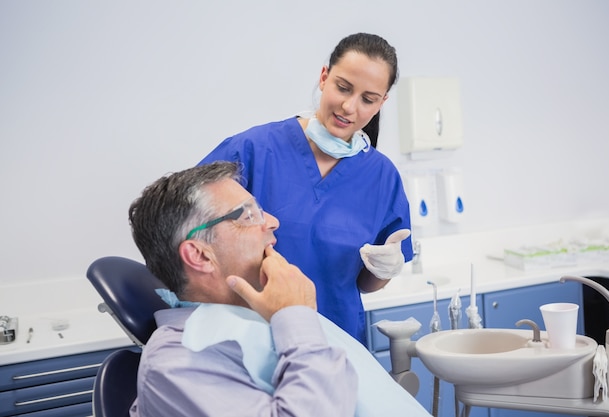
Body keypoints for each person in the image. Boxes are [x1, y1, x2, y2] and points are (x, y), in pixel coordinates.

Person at [127, 162, 430, 417]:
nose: (272, 222)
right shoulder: (175, 364)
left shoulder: (268, 313)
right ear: (200, 255)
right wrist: (296, 317)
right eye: (247, 215)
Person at [197, 33, 412, 344]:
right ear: (324, 77)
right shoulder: (254, 150)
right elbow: (186, 223)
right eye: (343, 87)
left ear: (381, 103)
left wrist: (384, 269)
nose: (349, 107)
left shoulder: (382, 178)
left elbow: (366, 284)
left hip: (336, 341)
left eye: (368, 99)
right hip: (250, 337)